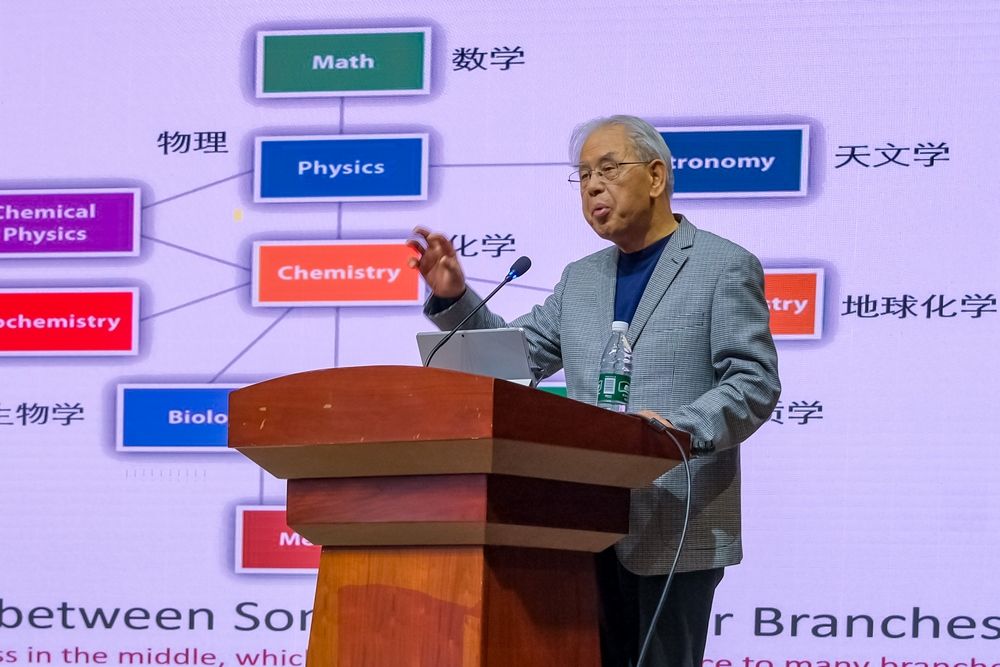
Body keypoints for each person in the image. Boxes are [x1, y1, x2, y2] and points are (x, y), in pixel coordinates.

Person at [407, 114, 780, 667]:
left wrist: (680, 430)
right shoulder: (581, 278)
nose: (592, 187)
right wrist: (455, 297)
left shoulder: (722, 266)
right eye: (582, 176)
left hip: (673, 520)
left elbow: (753, 381)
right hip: (582, 524)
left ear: (656, 177)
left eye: (607, 169)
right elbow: (511, 359)